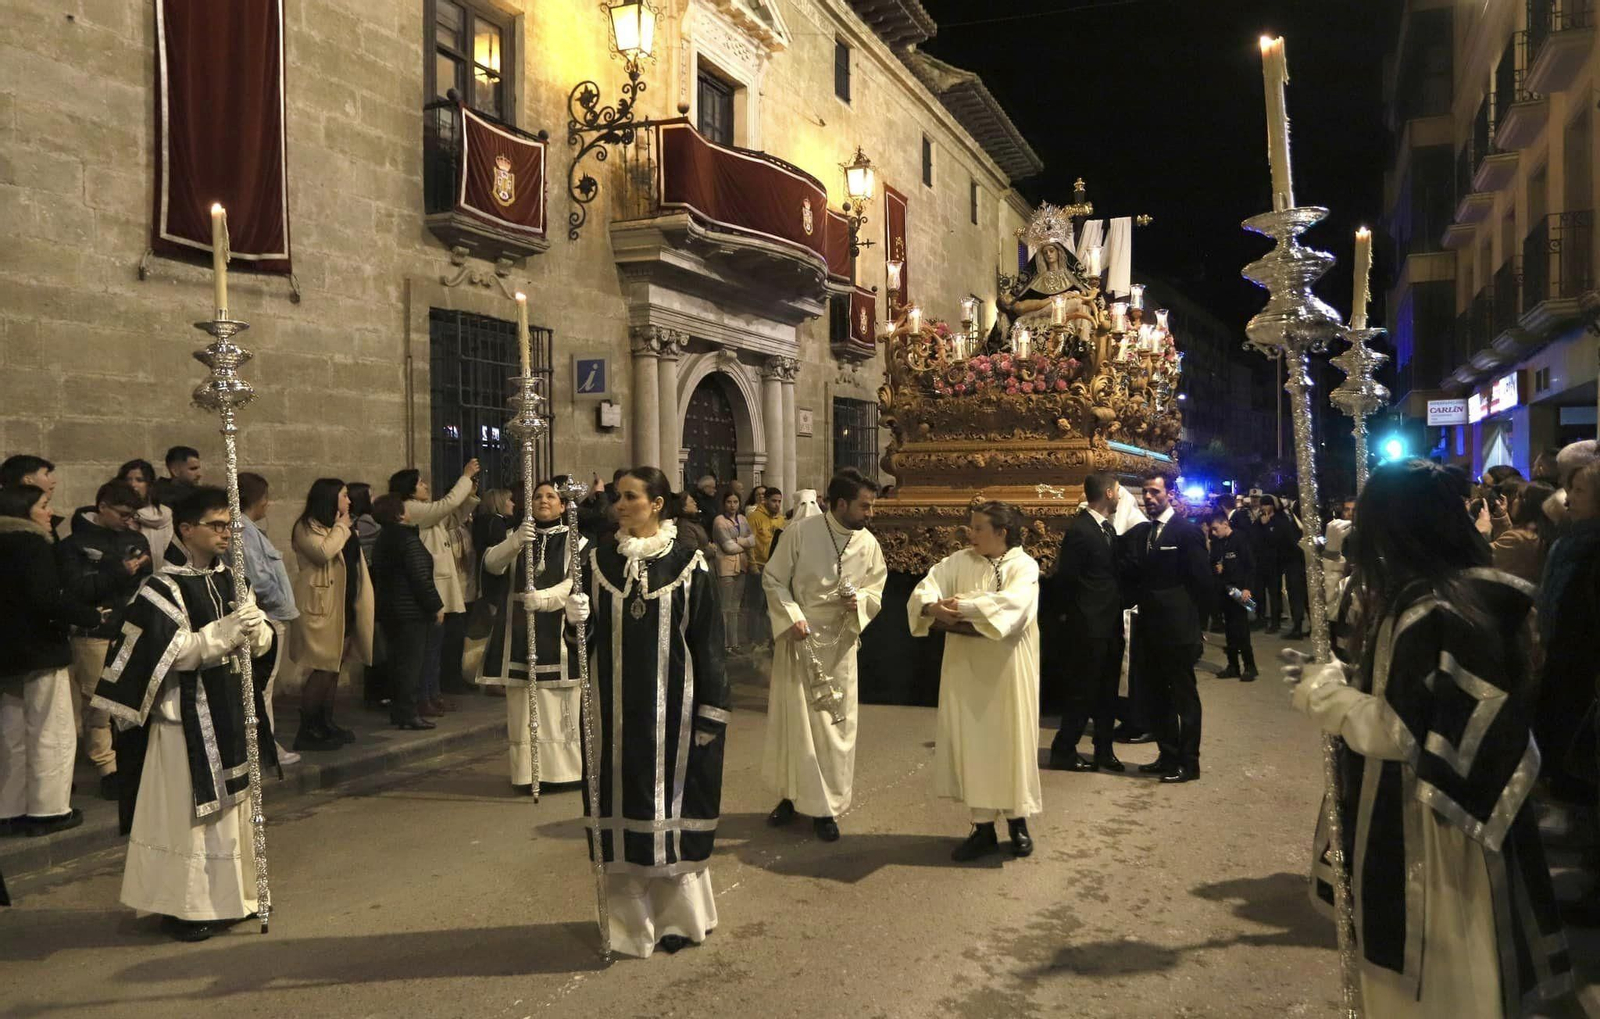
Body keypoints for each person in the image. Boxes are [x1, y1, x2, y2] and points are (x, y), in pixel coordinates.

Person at [1283, 459, 1571, 1015]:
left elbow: (1398, 732)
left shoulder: (1426, 611)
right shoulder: (1465, 596)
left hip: (1426, 833)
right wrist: (1343, 676)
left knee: (1428, 986)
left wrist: (1323, 694)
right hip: (1461, 825)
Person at [90, 486, 277, 942]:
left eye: (230, 526)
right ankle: (187, 908)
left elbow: (256, 648)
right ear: (187, 529)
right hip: (184, 721)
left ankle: (237, 898)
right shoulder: (161, 589)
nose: (227, 533)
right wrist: (224, 633)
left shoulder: (234, 579)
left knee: (233, 812)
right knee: (189, 820)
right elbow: (169, 654)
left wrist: (259, 633)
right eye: (217, 525)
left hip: (229, 710)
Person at [581, 466, 729, 958]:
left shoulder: (689, 563)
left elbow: (709, 641)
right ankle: (630, 925)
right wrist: (574, 623)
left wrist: (712, 709)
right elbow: (585, 643)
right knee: (622, 808)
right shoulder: (597, 561)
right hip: (615, 714)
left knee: (673, 809)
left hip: (676, 717)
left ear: (657, 503)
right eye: (617, 497)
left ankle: (678, 920)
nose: (620, 505)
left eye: (630, 497)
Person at [910, 501, 1041, 861]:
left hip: (1007, 670)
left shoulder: (1024, 566)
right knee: (974, 744)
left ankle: (1017, 822)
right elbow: (926, 588)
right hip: (966, 669)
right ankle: (982, 828)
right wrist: (932, 607)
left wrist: (963, 605)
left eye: (979, 528)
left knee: (1010, 742)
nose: (971, 534)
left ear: (1002, 532)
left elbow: (1015, 607)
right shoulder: (959, 561)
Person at [761, 467, 887, 841]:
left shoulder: (869, 544)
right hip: (800, 640)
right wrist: (793, 617)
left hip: (841, 644)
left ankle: (826, 807)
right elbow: (773, 579)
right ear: (841, 504)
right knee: (795, 725)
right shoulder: (800, 533)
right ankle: (791, 795)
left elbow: (876, 588)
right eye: (864, 506)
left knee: (834, 728)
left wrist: (859, 601)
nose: (870, 513)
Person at [0, 485, 100, 836]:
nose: (49, 513)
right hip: (40, 649)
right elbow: (47, 597)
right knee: (51, 729)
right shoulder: (32, 544)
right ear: (24, 510)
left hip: (7, 655)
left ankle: (9, 809)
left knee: (11, 733)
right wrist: (90, 616)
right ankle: (49, 810)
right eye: (43, 505)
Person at [479, 480, 586, 790]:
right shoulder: (516, 535)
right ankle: (529, 774)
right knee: (523, 705)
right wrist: (514, 543)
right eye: (538, 496)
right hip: (519, 632)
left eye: (551, 496)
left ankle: (564, 774)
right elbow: (491, 565)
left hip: (558, 632)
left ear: (563, 505)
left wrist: (544, 598)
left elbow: (575, 583)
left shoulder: (576, 540)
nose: (543, 500)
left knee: (558, 704)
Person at [56, 479, 152, 799]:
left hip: (128, 627)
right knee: (98, 702)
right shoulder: (74, 544)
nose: (128, 521)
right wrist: (120, 572)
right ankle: (106, 768)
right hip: (92, 632)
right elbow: (78, 590)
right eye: (123, 514)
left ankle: (128, 762)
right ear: (102, 507)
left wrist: (135, 572)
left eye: (132, 515)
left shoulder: (134, 537)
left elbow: (143, 580)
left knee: (127, 698)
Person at [1121, 471, 1210, 783]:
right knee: (1157, 696)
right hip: (1150, 631)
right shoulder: (1145, 533)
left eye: (1155, 492)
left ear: (1170, 494)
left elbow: (1202, 583)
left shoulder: (1186, 532)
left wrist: (1196, 626)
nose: (1148, 497)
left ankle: (1189, 763)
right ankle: (1167, 755)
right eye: (1145, 492)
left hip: (1179, 631)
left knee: (1184, 698)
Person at [1048, 472, 1125, 772]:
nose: (1120, 496)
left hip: (1110, 624)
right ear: (1108, 493)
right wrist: (1075, 618)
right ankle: (1064, 750)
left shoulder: (1108, 529)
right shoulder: (1080, 530)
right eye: (1118, 490)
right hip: (1088, 627)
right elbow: (1067, 579)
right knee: (1083, 691)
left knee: (1107, 692)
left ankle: (1104, 750)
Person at [289, 478, 374, 750]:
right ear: (329, 498)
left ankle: (325, 722)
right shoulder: (307, 527)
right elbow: (323, 552)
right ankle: (307, 729)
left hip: (344, 603)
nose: (349, 501)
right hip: (321, 606)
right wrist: (342, 527)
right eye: (344, 495)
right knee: (323, 667)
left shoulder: (338, 525)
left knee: (335, 667)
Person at [1534, 462, 1600, 803]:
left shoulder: (1589, 550)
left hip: (1585, 668)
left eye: (1580, 490)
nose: (1569, 498)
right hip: (1561, 660)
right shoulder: (1568, 543)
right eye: (1570, 488)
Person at [390, 461, 480, 706]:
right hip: (432, 587)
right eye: (420, 483)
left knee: (434, 647)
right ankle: (424, 697)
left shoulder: (423, 510)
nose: (426, 486)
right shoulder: (410, 508)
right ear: (408, 488)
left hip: (441, 584)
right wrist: (465, 476)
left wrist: (469, 496)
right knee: (428, 648)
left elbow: (452, 519)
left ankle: (432, 694)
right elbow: (446, 505)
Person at [236, 473, 301, 766]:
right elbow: (259, 579)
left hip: (269, 614)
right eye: (265, 497)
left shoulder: (250, 530)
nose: (268, 503)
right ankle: (264, 747)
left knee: (262, 687)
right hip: (267, 617)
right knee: (262, 688)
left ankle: (264, 743)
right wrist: (279, 604)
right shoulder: (244, 532)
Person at [370, 494, 442, 731]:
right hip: (411, 611)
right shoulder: (407, 539)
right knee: (411, 664)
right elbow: (420, 576)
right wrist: (435, 605)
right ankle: (409, 713)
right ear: (399, 514)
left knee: (398, 663)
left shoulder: (383, 539)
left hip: (390, 609)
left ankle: (400, 711)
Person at [1207, 509, 1256, 681]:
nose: (1214, 533)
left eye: (1215, 529)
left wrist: (1247, 588)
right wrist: (1217, 568)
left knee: (1241, 630)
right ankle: (1233, 665)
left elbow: (1250, 565)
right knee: (1229, 632)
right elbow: (1213, 563)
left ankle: (1250, 667)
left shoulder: (1240, 539)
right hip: (1223, 591)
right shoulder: (1217, 543)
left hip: (1238, 592)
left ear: (1225, 524)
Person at [711, 487, 756, 652]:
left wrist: (737, 540)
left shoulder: (743, 519)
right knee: (725, 607)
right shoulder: (719, 521)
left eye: (735, 502)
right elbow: (728, 547)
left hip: (741, 566)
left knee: (735, 608)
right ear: (724, 504)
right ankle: (724, 644)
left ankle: (734, 643)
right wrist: (744, 543)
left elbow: (753, 540)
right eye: (729, 502)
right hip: (726, 567)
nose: (732, 505)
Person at [1489, 481, 1555, 585]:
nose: (1513, 501)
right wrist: (1502, 517)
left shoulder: (1519, 538)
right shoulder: (1541, 532)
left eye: (1518, 497)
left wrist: (1481, 527)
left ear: (1526, 503)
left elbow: (1481, 555)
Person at [118, 459, 174, 562]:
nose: (133, 485)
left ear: (149, 485)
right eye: (128, 480)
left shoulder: (163, 514)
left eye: (139, 480)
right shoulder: (116, 515)